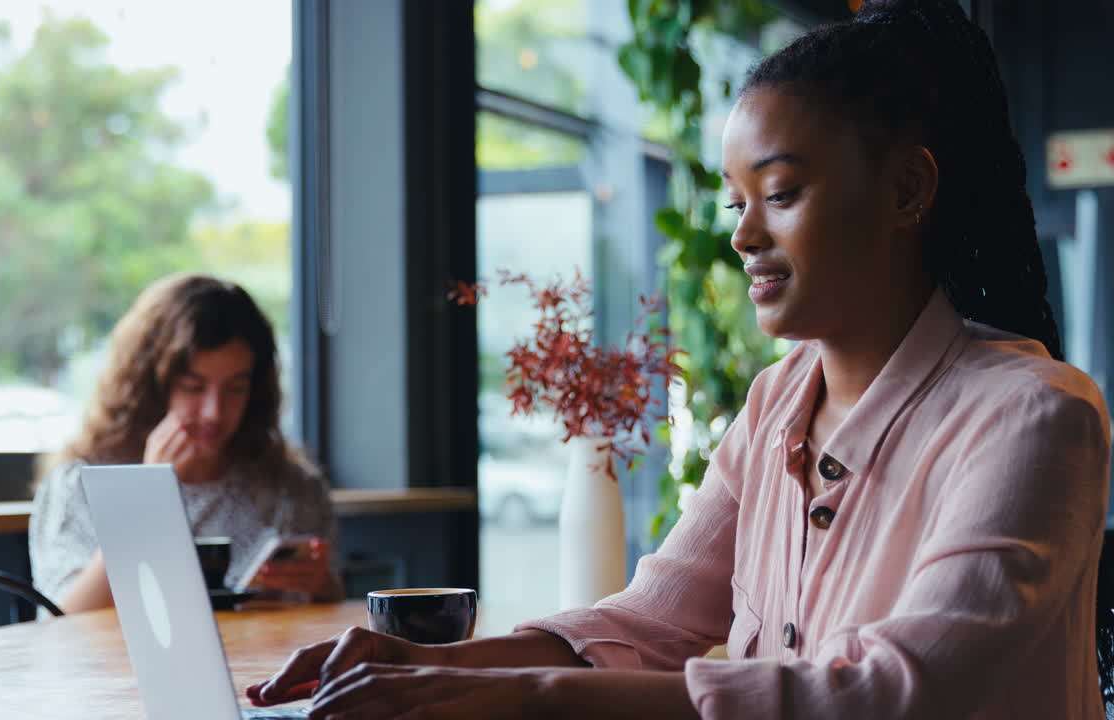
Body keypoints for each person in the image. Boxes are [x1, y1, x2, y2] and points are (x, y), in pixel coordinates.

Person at [247, 1, 1113, 718]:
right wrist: (429, 665)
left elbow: (900, 691)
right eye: (736, 200)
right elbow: (650, 618)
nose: (743, 235)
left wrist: (519, 697)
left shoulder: (1035, 414)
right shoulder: (779, 400)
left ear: (906, 190)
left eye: (780, 194)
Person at [30, 273, 344, 613]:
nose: (214, 412)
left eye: (235, 388)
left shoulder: (291, 488)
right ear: (149, 386)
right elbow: (63, 619)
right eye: (194, 387)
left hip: (267, 663)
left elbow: (330, 611)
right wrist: (147, 496)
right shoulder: (80, 482)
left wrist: (321, 586)